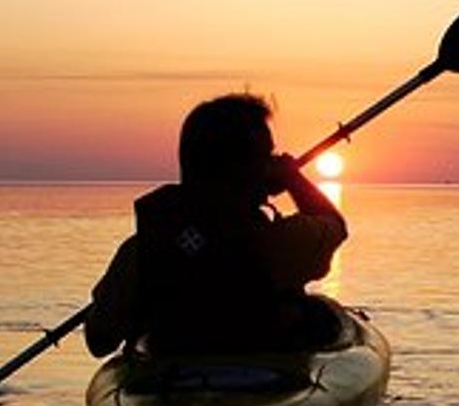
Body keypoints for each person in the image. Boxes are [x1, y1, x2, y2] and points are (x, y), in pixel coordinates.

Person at [85, 93, 347, 357]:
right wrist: (292, 178)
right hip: (264, 380)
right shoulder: (281, 242)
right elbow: (334, 224)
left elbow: (99, 340)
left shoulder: (143, 250)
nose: (272, 163)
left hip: (171, 382)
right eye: (266, 156)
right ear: (246, 167)